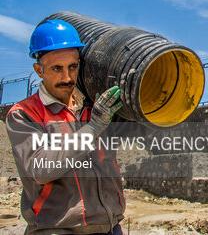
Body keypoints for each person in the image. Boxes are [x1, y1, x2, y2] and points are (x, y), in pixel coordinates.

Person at [6, 19, 126, 234]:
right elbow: (41, 170)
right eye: (56, 69)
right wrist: (93, 127)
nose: (67, 77)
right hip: (57, 230)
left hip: (110, 227)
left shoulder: (94, 106)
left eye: (73, 67)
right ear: (39, 70)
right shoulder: (24, 114)